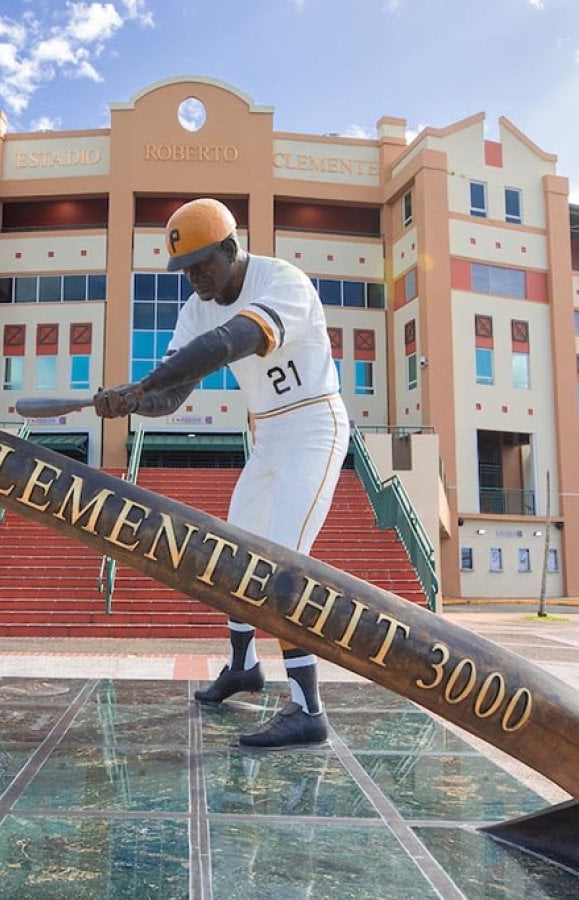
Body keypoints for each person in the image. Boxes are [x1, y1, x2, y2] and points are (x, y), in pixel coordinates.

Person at [94, 197, 349, 748]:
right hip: (267, 437)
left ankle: (308, 710)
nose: (195, 278)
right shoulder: (196, 306)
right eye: (185, 270)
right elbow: (174, 396)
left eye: (204, 263)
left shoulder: (283, 281)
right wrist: (135, 402)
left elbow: (231, 342)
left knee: (283, 568)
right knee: (231, 558)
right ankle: (242, 668)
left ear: (232, 249)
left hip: (314, 427)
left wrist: (143, 384)